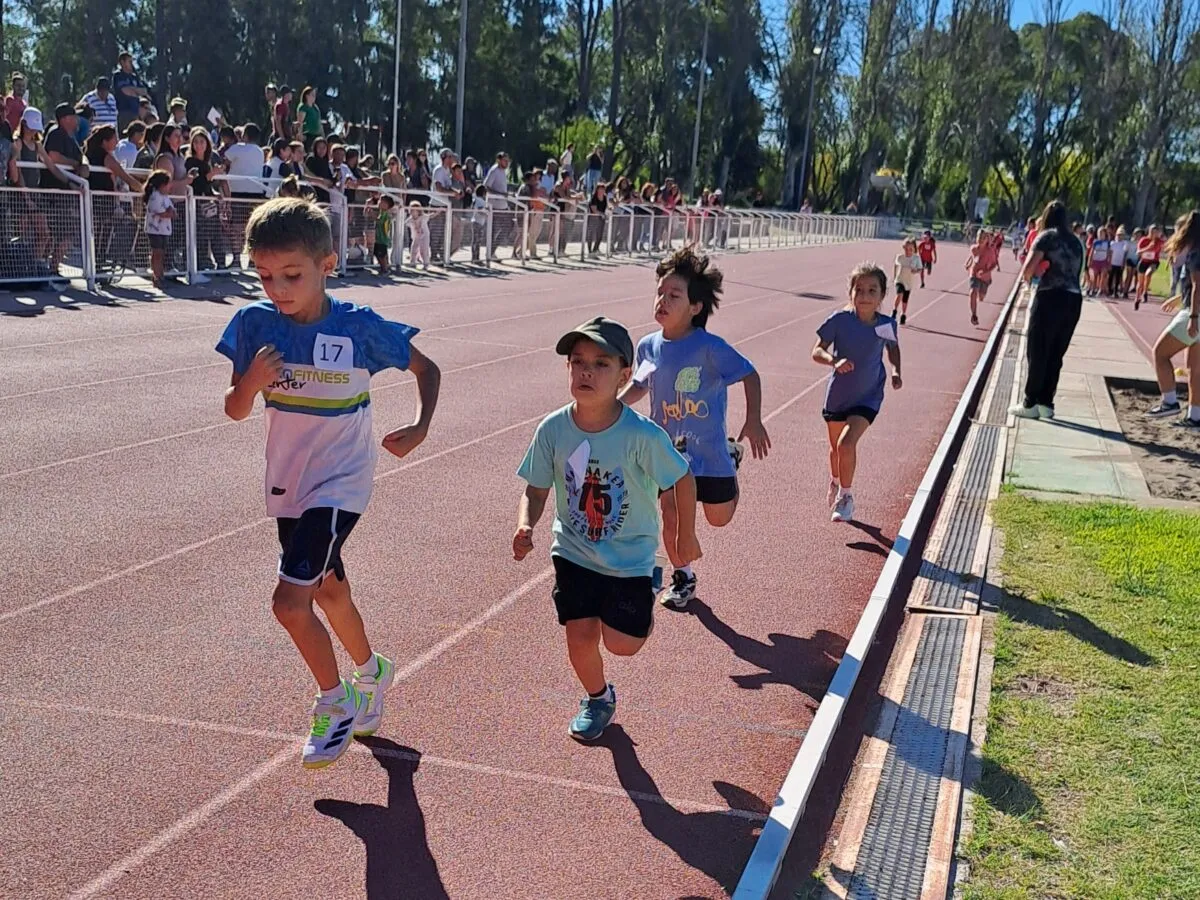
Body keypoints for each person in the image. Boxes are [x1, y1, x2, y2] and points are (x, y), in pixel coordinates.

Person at [214, 197, 441, 769]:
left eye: (292, 275)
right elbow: (235, 409)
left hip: (340, 483)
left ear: (327, 264)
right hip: (289, 484)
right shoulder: (254, 325)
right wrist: (252, 383)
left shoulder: (358, 327)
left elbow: (427, 369)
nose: (278, 289)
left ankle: (334, 702)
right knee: (328, 591)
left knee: (290, 604)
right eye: (265, 276)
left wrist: (419, 424)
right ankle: (372, 671)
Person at [513, 316, 699, 741]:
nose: (586, 372)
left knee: (623, 645)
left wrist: (684, 536)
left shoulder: (641, 436)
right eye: (578, 362)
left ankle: (640, 605)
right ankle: (598, 698)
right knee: (579, 635)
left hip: (630, 557)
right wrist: (525, 525)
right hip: (574, 550)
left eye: (600, 364)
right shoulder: (553, 429)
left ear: (624, 375)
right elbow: (536, 489)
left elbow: (682, 478)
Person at [617, 247, 769, 609]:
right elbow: (640, 385)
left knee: (718, 519)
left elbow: (750, 374)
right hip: (668, 452)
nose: (663, 301)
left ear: (696, 307)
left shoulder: (710, 348)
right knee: (670, 512)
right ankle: (682, 575)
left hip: (710, 452)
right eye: (660, 293)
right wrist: (610, 407)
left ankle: (732, 465)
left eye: (674, 296)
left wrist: (753, 418)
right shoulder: (648, 346)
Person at [812, 263, 902, 523]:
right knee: (836, 451)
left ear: (882, 296)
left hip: (869, 396)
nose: (864, 295)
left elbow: (893, 349)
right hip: (838, 395)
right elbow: (816, 350)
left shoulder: (886, 325)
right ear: (850, 292)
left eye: (872, 290)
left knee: (846, 444)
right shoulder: (839, 321)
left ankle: (846, 497)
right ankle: (836, 480)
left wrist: (896, 370)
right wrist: (833, 361)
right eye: (859, 289)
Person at [1011, 199, 1085, 419]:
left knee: (1038, 348)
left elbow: (1028, 270)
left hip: (1050, 296)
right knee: (1056, 352)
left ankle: (1030, 401)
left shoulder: (1046, 237)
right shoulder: (1076, 241)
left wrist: (1034, 277)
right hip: (1073, 298)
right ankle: (1046, 401)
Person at [1144, 211, 1200, 423]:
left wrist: (1193, 317)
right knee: (1195, 367)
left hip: (1194, 314)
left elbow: (1197, 286)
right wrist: (1179, 298)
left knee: (1160, 353)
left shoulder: (1195, 252)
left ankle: (1169, 401)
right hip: (1193, 309)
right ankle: (1195, 415)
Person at [143, 170, 175, 288]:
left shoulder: (165, 197)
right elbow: (162, 213)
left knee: (162, 253)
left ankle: (160, 274)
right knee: (157, 252)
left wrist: (170, 212)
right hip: (155, 229)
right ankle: (156, 276)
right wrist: (168, 212)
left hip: (164, 229)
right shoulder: (155, 196)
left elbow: (172, 211)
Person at [964, 229, 1000, 325]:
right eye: (979, 237)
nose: (980, 240)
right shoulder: (974, 248)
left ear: (986, 240)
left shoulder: (990, 251)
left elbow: (994, 264)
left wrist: (985, 272)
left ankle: (981, 294)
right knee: (972, 292)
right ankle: (974, 315)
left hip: (985, 277)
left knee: (981, 297)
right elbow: (973, 257)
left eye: (983, 238)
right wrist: (968, 264)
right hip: (974, 273)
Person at [1134, 224, 1164, 310]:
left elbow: (1167, 245)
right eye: (1152, 232)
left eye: (1156, 232)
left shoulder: (1159, 241)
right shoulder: (1143, 240)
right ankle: (1137, 298)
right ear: (1149, 232)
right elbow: (1138, 252)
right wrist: (1148, 248)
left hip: (1154, 262)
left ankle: (1145, 292)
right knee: (1140, 283)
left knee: (1148, 273)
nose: (1154, 234)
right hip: (1143, 262)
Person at [893, 238, 921, 324]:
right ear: (903, 248)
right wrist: (895, 277)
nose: (908, 251)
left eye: (910, 249)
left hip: (908, 283)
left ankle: (903, 314)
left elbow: (920, 269)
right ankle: (894, 311)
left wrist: (915, 271)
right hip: (900, 280)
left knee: (905, 300)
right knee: (899, 294)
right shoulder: (900, 257)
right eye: (906, 249)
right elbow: (895, 265)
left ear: (914, 249)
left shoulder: (916, 258)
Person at [370, 194, 395, 275]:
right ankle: (382, 268)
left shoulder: (384, 213)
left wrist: (372, 214)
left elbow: (379, 221)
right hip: (378, 238)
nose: (379, 202)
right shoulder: (381, 212)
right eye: (380, 200)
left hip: (382, 239)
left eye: (382, 201)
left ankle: (385, 269)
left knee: (382, 254)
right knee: (377, 253)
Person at [407, 200, 431, 269]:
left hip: (424, 236)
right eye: (412, 210)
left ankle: (426, 264)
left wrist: (437, 212)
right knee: (413, 249)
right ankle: (412, 263)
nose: (413, 212)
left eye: (415, 210)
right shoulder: (410, 219)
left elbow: (430, 216)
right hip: (416, 237)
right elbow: (405, 223)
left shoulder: (423, 217)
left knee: (423, 250)